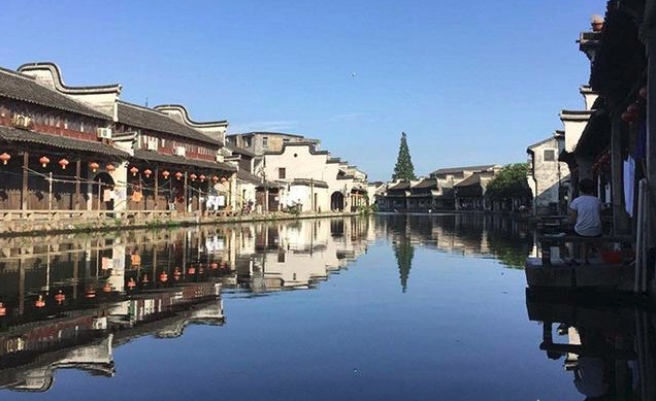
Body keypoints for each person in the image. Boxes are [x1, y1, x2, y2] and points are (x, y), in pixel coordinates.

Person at [569, 179, 603, 264]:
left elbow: (573, 219)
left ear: (580, 189)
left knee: (573, 233)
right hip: (596, 230)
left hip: (581, 231)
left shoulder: (576, 201)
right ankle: (598, 257)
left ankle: (574, 257)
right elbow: (600, 215)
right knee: (589, 233)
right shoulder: (597, 201)